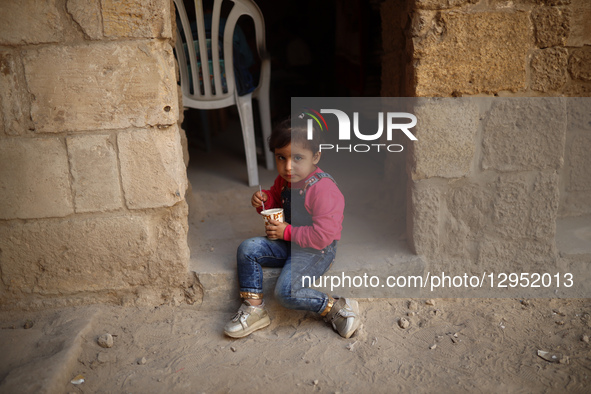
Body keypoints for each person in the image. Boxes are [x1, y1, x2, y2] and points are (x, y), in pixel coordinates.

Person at [224, 117, 361, 339]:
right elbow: (277, 203)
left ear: (315, 156)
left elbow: (323, 236)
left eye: (298, 158)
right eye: (281, 157)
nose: (288, 166)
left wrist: (286, 232)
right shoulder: (285, 181)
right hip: (290, 242)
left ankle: (336, 308)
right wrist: (264, 201)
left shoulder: (323, 190)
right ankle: (254, 309)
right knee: (248, 248)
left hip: (316, 250)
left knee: (285, 292)